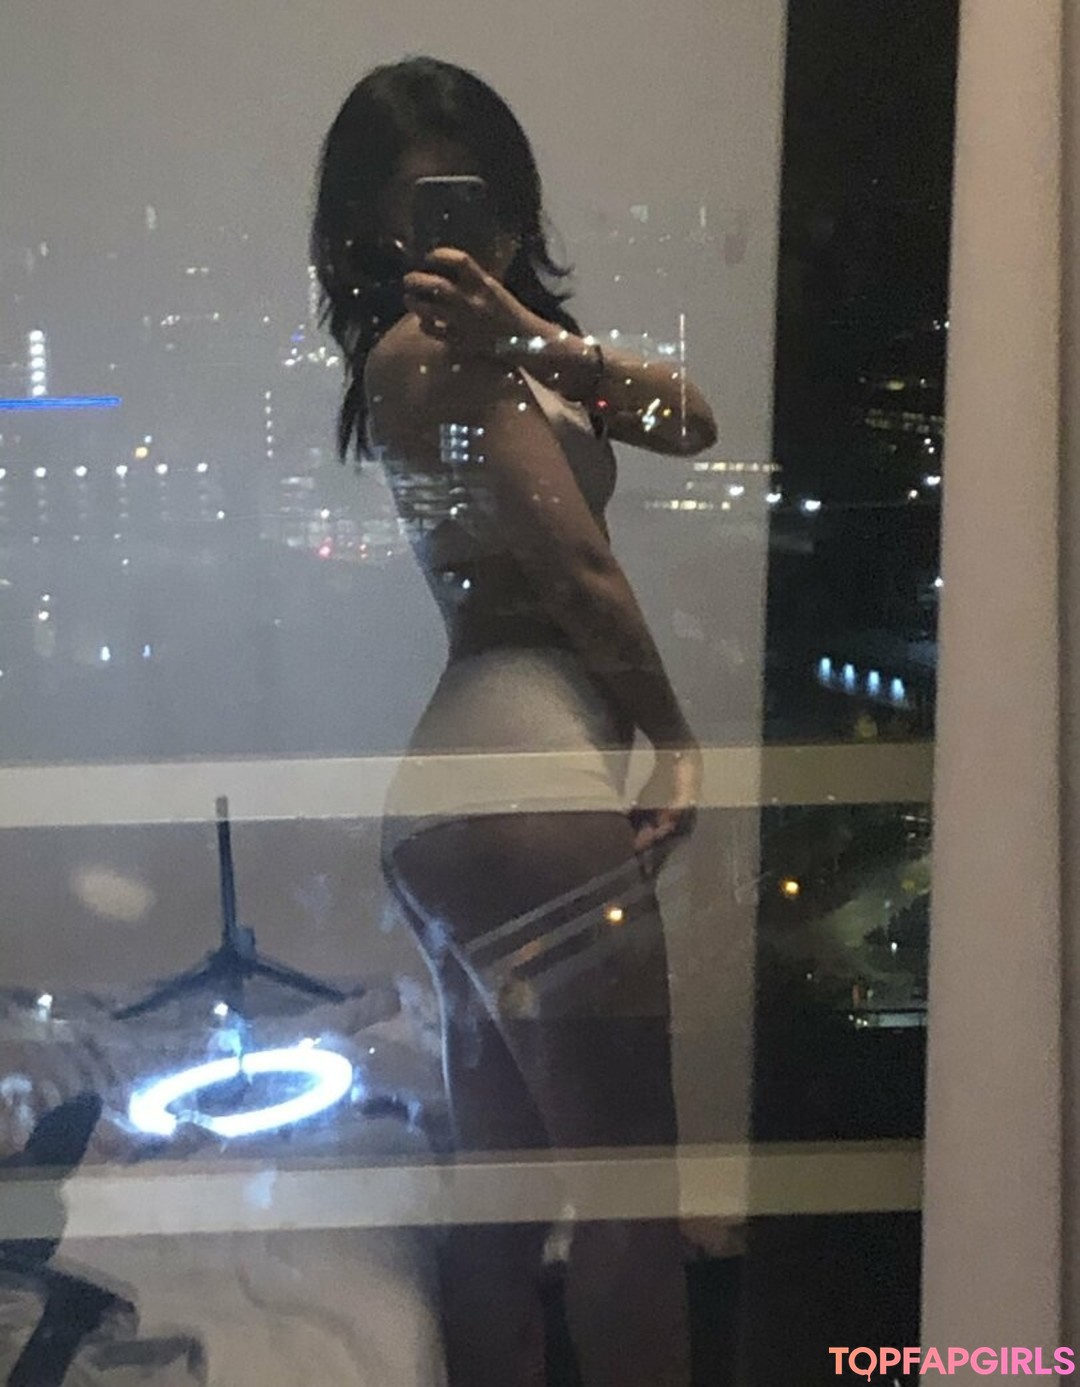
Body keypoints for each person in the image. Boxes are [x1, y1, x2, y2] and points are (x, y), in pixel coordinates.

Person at [313, 55, 717, 1387]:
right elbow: (579, 574)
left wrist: (534, 336)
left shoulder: (494, 357)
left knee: (504, 1194)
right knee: (630, 1208)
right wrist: (675, 739)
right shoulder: (431, 356)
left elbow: (693, 423)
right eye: (418, 202)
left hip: (471, 797)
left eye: (476, 196)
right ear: (373, 227)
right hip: (529, 792)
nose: (459, 228)